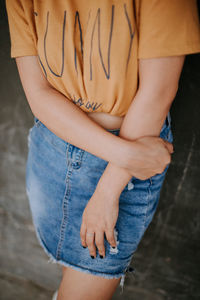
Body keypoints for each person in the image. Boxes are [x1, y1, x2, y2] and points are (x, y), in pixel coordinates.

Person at [5, 0, 200, 299]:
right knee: (72, 280)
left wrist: (108, 191)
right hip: (53, 151)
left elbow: (158, 90)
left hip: (122, 174)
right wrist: (130, 156)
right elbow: (38, 92)